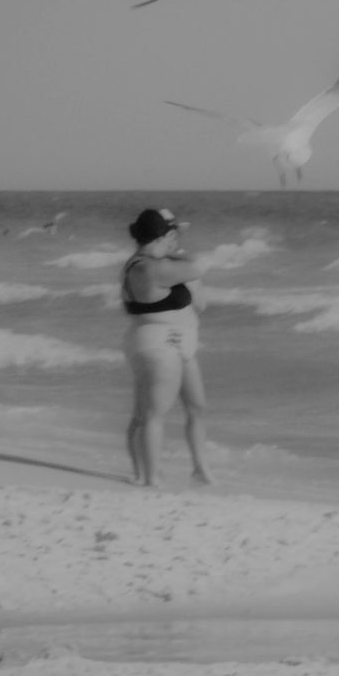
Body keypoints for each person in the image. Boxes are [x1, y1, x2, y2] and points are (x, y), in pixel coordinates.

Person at [121, 208, 212, 487]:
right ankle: (150, 476)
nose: (176, 240)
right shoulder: (152, 267)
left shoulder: (145, 263)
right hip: (160, 343)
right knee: (151, 414)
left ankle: (200, 470)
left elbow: (200, 301)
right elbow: (198, 267)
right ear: (164, 235)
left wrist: (169, 254)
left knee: (196, 407)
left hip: (175, 341)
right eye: (173, 234)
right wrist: (175, 255)